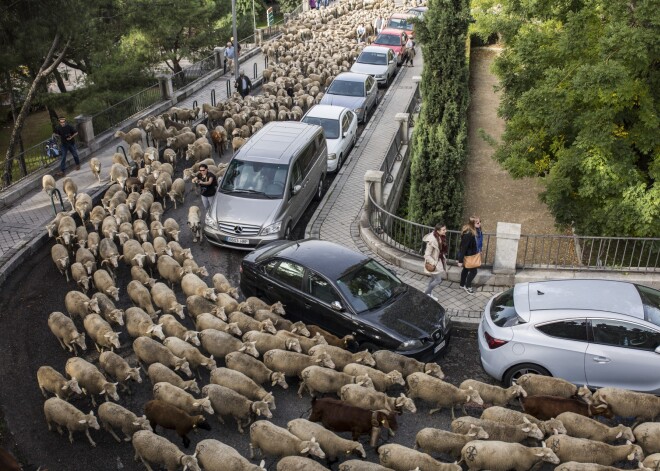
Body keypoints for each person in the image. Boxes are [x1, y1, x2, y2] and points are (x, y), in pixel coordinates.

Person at [423, 223, 448, 301]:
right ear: (438, 231)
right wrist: (434, 263)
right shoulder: (432, 240)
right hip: (435, 263)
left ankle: (428, 293)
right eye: (443, 230)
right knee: (438, 280)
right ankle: (426, 294)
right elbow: (427, 255)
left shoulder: (441, 237)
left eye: (445, 229)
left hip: (438, 260)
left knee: (433, 279)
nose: (445, 231)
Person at [458, 216, 480, 294]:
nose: (480, 223)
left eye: (480, 221)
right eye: (478, 222)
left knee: (466, 269)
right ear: (472, 223)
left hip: (470, 254)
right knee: (474, 272)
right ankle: (468, 286)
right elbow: (463, 247)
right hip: (469, 255)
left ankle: (462, 284)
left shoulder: (473, 230)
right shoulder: (469, 233)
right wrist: (460, 260)